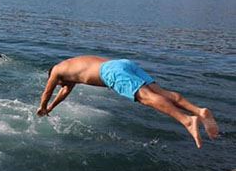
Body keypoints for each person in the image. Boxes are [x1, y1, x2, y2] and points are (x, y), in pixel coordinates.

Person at [37, 56, 219, 148]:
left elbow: (48, 91)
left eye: (61, 83)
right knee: (161, 92)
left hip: (109, 73)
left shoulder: (56, 71)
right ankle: (199, 111)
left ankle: (187, 120)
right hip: (121, 63)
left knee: (146, 98)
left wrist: (43, 107)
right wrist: (52, 108)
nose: (65, 85)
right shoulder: (71, 66)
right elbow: (64, 92)